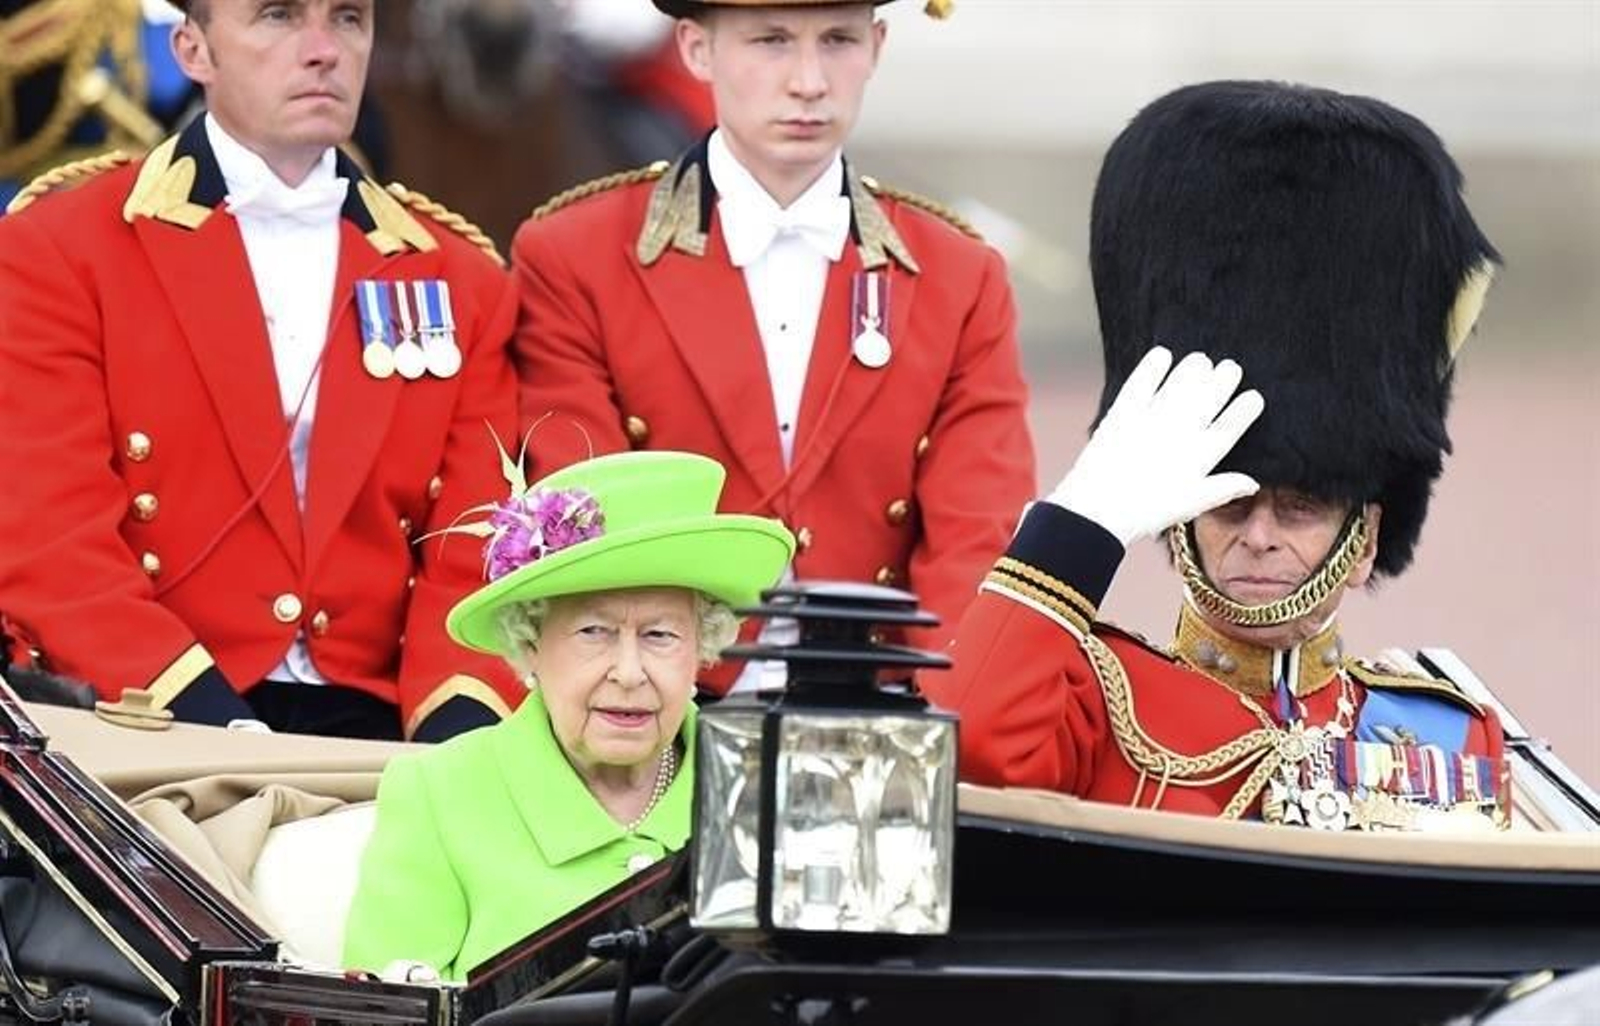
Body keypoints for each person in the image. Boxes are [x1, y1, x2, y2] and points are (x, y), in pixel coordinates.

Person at [922, 81, 1509, 831]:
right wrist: (1083, 520)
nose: (1259, 534)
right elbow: (959, 753)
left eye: (1301, 506)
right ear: (1178, 517)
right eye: (1229, 502)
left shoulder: (1450, 736)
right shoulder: (1092, 697)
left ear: (1362, 541)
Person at [0, 0, 523, 742]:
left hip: (390, 730)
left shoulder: (463, 278)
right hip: (145, 716)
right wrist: (212, 724)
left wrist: (454, 736)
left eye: (348, 19)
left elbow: (476, 543)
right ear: (193, 51)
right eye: (277, 17)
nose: (323, 50)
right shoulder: (64, 248)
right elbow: (47, 538)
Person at [510, 0, 1029, 692]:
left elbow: (975, 542)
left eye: (839, 40)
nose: (809, 81)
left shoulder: (959, 274)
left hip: (881, 706)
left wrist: (942, 733)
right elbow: (590, 521)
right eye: (772, 41)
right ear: (697, 50)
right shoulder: (576, 255)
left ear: (877, 47)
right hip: (658, 703)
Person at [342, 449, 793, 981]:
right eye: (593, 632)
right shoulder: (440, 794)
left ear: (702, 649)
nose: (629, 672)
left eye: (660, 635)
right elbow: (388, 1011)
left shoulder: (770, 789)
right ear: (530, 644)